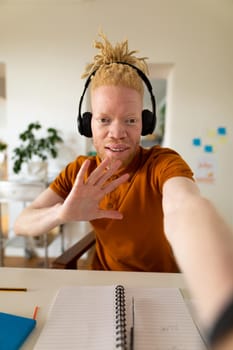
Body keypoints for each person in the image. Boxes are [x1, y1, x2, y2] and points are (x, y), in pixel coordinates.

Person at [14, 31, 233, 349]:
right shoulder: (79, 171)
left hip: (161, 288)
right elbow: (23, 222)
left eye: (130, 120)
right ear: (87, 123)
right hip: (100, 286)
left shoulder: (162, 163)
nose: (117, 133)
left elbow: (184, 208)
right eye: (104, 119)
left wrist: (223, 304)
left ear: (145, 122)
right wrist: (63, 212)